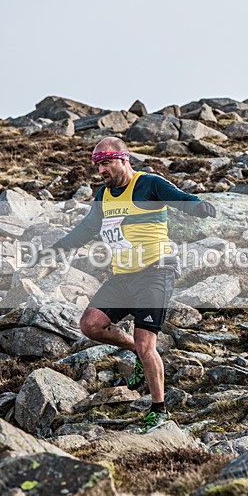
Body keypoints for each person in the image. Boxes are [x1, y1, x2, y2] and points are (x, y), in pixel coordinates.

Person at [43, 137, 216, 432]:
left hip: (156, 271)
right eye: (97, 166)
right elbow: (87, 228)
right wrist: (56, 249)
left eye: (106, 163)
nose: (101, 171)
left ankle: (159, 410)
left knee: (147, 344)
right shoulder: (104, 195)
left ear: (124, 159)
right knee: (90, 325)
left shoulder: (148, 184)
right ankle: (135, 351)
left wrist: (199, 207)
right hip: (122, 275)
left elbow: (180, 198)